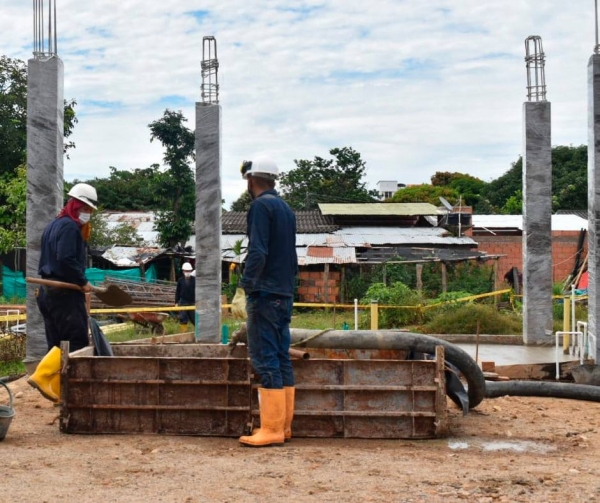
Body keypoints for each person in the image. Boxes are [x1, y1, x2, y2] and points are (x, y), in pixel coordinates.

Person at [237, 156, 298, 448]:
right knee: (282, 355)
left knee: (265, 358)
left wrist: (246, 285)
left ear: (251, 180)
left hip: (264, 293)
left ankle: (271, 429)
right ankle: (283, 427)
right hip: (284, 292)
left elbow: (258, 251)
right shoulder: (286, 209)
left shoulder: (261, 206)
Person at [27, 183, 98, 402]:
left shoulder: (53, 225)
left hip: (47, 291)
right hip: (64, 293)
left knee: (57, 342)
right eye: (85, 209)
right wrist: (82, 280)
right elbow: (66, 258)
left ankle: (57, 389)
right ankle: (41, 376)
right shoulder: (68, 227)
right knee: (76, 341)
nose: (88, 214)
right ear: (76, 205)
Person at [175, 262, 196, 332]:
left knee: (194, 319)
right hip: (183, 302)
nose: (188, 272)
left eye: (189, 271)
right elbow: (177, 292)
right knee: (183, 318)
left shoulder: (194, 280)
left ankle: (199, 333)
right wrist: (176, 302)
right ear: (183, 271)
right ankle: (183, 333)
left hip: (192, 302)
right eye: (186, 271)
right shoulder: (180, 280)